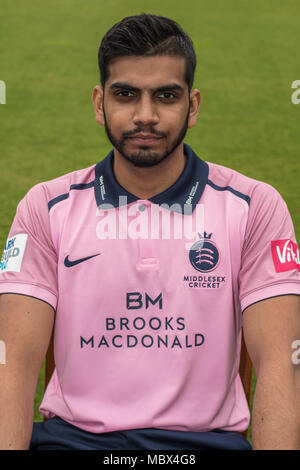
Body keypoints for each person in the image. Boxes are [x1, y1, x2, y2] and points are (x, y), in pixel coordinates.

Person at [0, 13, 299, 451]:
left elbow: (281, 366)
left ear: (192, 106)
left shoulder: (256, 206)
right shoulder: (45, 207)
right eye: (126, 95)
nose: (145, 116)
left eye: (165, 96)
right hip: (74, 444)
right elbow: (13, 367)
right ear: (100, 103)